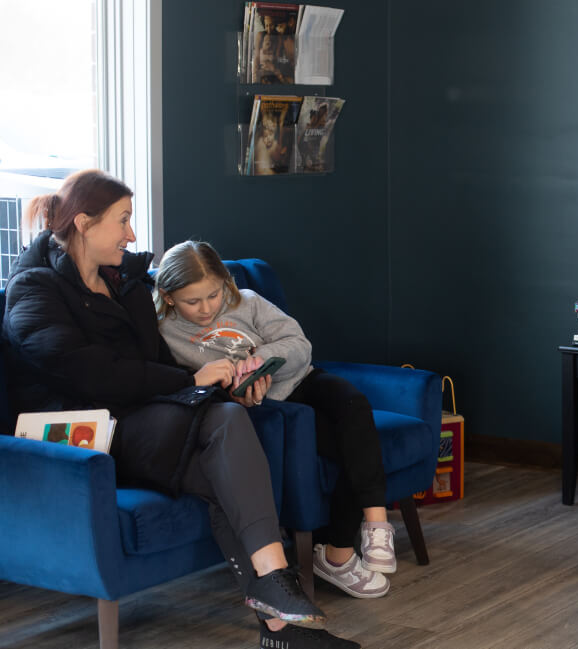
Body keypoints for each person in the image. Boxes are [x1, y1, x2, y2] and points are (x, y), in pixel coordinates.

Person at [1, 170, 357, 649]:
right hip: (83, 435)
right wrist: (192, 381)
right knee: (223, 434)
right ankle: (279, 604)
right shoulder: (33, 291)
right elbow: (94, 375)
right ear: (84, 224)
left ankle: (279, 619)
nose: (132, 233)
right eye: (123, 220)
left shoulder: (124, 280)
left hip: (140, 419)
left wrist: (228, 382)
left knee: (227, 446)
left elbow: (152, 359)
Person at [155, 240, 395, 600]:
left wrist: (262, 357)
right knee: (342, 449)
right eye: (193, 301)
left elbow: (299, 344)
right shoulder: (164, 331)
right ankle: (337, 556)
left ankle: (377, 526)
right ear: (169, 297)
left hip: (302, 380)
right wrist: (232, 390)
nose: (206, 309)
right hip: (262, 403)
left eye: (214, 295)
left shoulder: (248, 301)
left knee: (353, 405)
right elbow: (182, 386)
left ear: (225, 284)